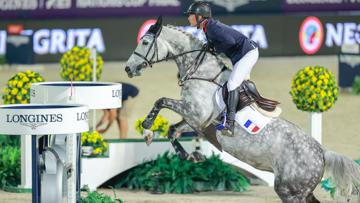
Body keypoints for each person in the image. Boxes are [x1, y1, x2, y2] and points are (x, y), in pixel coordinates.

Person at [185, 1, 259, 136]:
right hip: (242, 55)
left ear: (200, 17)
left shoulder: (212, 28)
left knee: (232, 84)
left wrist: (215, 47)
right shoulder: (208, 28)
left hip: (247, 54)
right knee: (235, 83)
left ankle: (230, 123)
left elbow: (229, 42)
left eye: (191, 15)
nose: (189, 18)